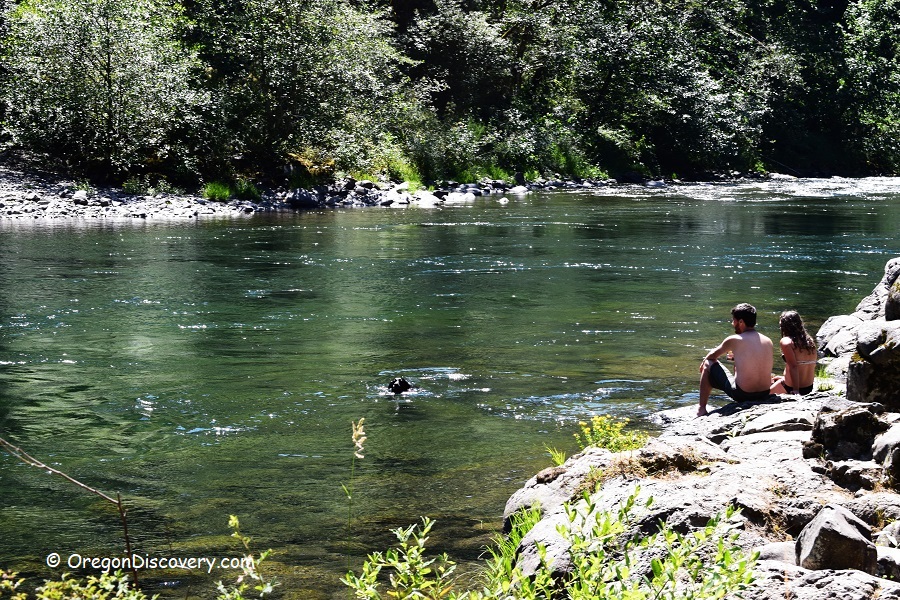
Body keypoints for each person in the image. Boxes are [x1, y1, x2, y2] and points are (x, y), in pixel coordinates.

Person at [697, 303, 774, 416]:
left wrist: (703, 365)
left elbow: (712, 356)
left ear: (741, 322)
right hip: (765, 393)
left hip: (743, 394)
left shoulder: (734, 339)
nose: (732, 324)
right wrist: (738, 358)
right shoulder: (768, 341)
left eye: (734, 320)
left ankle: (701, 409)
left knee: (709, 363)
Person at [770, 310, 817, 396]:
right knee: (775, 379)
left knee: (764, 395)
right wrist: (784, 378)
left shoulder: (786, 342)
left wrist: (796, 390)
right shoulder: (809, 341)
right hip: (809, 387)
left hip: (792, 387)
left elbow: (794, 366)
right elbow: (805, 365)